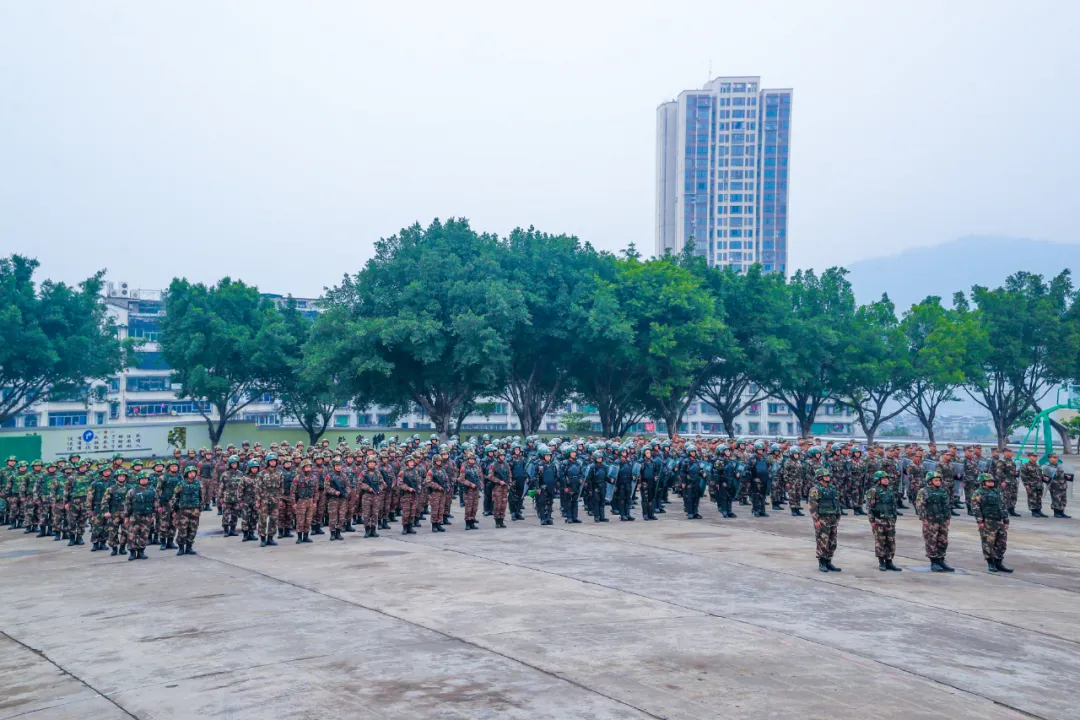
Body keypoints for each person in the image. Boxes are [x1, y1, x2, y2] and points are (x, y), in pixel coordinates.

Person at [971, 473, 1012, 573]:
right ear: (983, 482)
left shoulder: (997, 492)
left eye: (992, 481)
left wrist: (1006, 520)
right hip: (988, 521)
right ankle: (990, 562)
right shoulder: (978, 493)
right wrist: (980, 521)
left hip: (999, 520)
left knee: (1001, 543)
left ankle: (999, 562)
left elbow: (1003, 506)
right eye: (989, 481)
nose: (991, 483)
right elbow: (976, 508)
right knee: (988, 542)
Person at [915, 471, 954, 572]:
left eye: (939, 480)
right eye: (935, 480)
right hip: (931, 520)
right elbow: (920, 506)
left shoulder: (943, 491)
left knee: (943, 541)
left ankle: (941, 560)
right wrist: (924, 519)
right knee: (931, 541)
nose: (938, 482)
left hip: (942, 520)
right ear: (930, 481)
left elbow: (947, 505)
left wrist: (948, 518)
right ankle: (934, 562)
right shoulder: (923, 491)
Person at [865, 471, 901, 571]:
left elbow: (893, 506)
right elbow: (869, 507)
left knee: (891, 541)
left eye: (887, 478)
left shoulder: (890, 490)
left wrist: (894, 518)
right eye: (884, 478)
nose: (886, 480)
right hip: (879, 520)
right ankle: (882, 562)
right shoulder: (873, 491)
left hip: (890, 520)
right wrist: (872, 521)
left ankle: (889, 561)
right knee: (880, 541)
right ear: (878, 480)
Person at [808, 467, 841, 572]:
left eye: (828, 476)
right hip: (822, 519)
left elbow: (836, 503)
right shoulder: (815, 490)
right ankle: (822, 562)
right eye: (825, 476)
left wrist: (838, 517)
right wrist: (816, 520)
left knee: (832, 541)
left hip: (832, 518)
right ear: (820, 477)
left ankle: (828, 561)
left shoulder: (832, 488)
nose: (828, 477)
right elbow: (812, 506)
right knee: (822, 540)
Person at [125, 472, 157, 561]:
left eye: (146, 479)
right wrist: (126, 516)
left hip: (147, 516)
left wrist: (154, 515)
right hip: (134, 516)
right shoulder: (132, 491)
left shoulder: (152, 490)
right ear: (139, 480)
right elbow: (127, 504)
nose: (144, 480)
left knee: (144, 535)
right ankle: (132, 553)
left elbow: (155, 503)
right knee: (132, 534)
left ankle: (141, 551)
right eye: (142, 479)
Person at [172, 465, 202, 555]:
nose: (192, 474)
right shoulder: (181, 484)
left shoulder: (198, 483)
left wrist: (200, 507)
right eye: (190, 473)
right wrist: (174, 509)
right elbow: (175, 497)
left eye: (193, 472)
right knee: (182, 530)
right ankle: (181, 548)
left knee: (193, 529)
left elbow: (201, 496)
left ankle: (189, 547)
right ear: (186, 474)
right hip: (183, 511)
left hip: (195, 510)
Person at [101, 469, 130, 556]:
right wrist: (106, 511)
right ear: (116, 477)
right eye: (120, 476)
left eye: (123, 476)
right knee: (112, 531)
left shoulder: (130, 488)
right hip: (114, 513)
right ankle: (114, 548)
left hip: (126, 513)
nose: (122, 478)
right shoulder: (110, 489)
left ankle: (122, 548)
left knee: (126, 531)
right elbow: (104, 501)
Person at [487, 450, 511, 528]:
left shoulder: (506, 465)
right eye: (501, 456)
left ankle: (502, 520)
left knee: (503, 504)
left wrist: (509, 483)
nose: (502, 457)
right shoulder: (493, 465)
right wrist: (499, 481)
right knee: (497, 504)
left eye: (503, 455)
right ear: (498, 456)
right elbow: (490, 476)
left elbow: (509, 474)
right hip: (497, 487)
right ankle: (497, 521)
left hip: (505, 487)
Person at [458, 453, 483, 530]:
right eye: (470, 459)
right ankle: (467, 523)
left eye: (473, 459)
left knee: (474, 507)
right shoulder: (464, 467)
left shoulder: (477, 467)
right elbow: (460, 479)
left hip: (476, 489)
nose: (472, 460)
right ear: (468, 460)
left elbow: (480, 476)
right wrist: (470, 484)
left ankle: (472, 521)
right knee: (468, 507)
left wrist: (481, 484)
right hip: (468, 490)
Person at [1044, 453, 1072, 518]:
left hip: (1063, 486)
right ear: (1049, 458)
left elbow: (1062, 475)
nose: (1056, 459)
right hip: (1055, 486)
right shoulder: (1047, 467)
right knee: (1056, 500)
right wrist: (1049, 486)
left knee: (1063, 500)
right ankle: (1056, 513)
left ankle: (1061, 512)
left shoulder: (1060, 466)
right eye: (1054, 457)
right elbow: (1045, 478)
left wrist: (1067, 476)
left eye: (1056, 457)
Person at [1020, 451, 1047, 517]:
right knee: (1032, 498)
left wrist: (1044, 478)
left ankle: (1039, 510)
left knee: (1039, 498)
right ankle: (1033, 511)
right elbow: (1023, 476)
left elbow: (1040, 475)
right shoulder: (1025, 466)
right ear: (1029, 457)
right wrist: (1026, 485)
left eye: (1036, 456)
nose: (1035, 458)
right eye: (1033, 456)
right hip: (1031, 485)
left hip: (1039, 485)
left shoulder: (1038, 466)